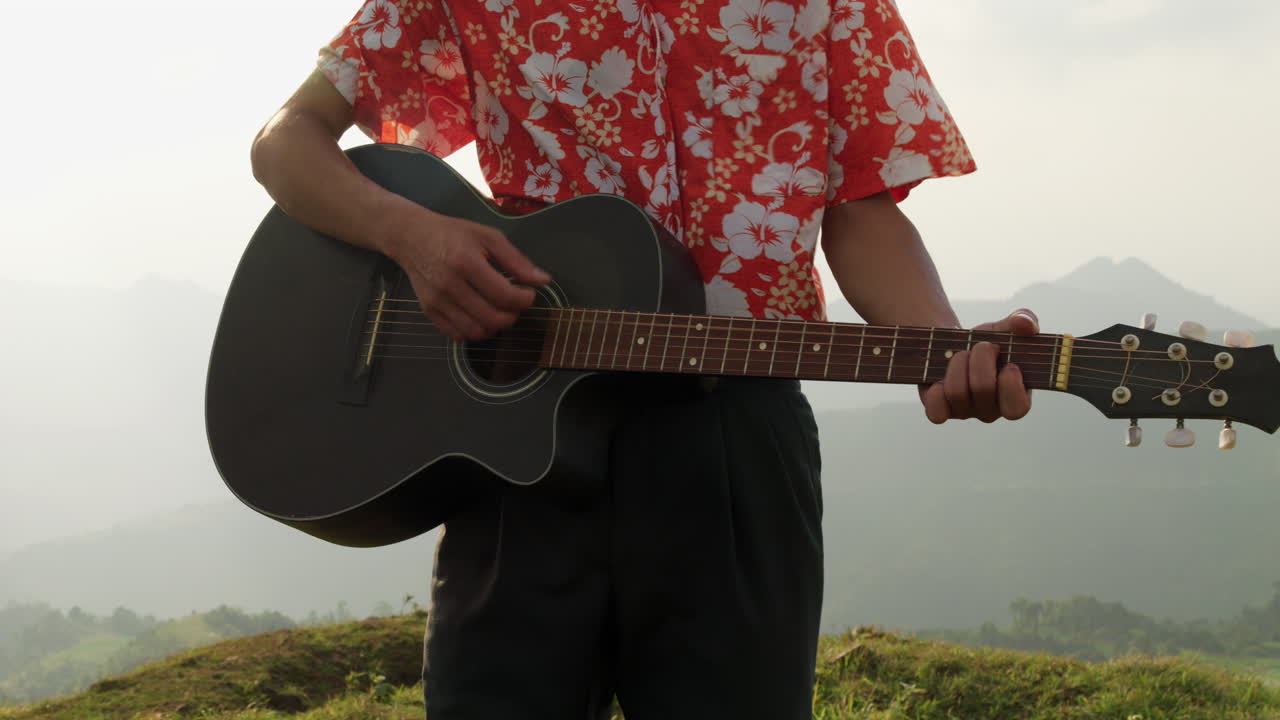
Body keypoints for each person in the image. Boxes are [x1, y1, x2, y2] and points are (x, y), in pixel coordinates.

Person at [250, 0, 1037, 717]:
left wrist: (943, 345)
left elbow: (860, 210)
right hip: (516, 439)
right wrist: (411, 236)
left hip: (736, 440)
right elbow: (286, 142)